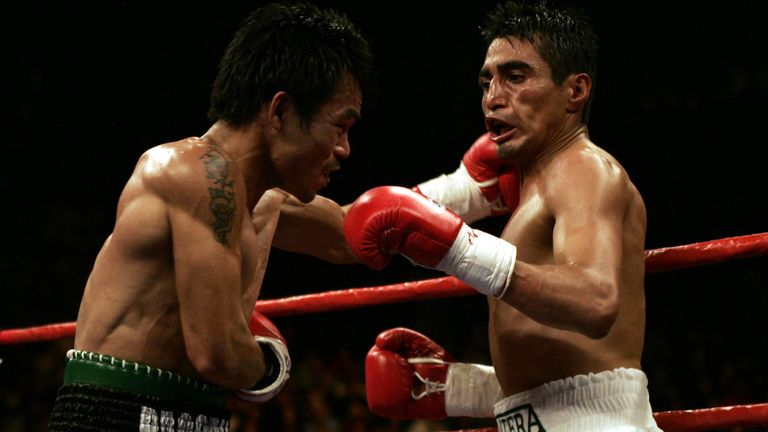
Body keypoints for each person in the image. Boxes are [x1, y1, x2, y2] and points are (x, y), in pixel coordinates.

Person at [47, 2, 373, 431]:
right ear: (281, 112)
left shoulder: (263, 199)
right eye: (339, 127)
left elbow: (359, 233)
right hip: (115, 413)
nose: (344, 150)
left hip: (194, 417)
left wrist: (470, 187)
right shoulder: (196, 173)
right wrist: (270, 364)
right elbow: (217, 353)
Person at [343, 1, 660, 430]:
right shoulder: (539, 185)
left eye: (515, 77)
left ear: (575, 91)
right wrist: (461, 388)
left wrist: (457, 248)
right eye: (487, 81)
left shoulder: (583, 168)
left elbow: (595, 299)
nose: (493, 98)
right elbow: (564, 377)